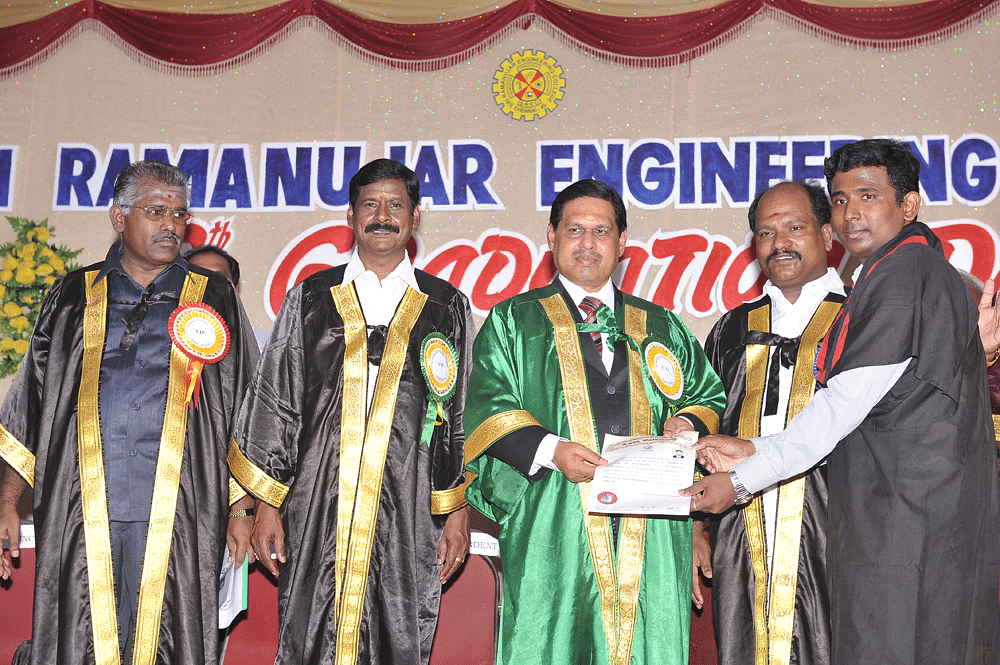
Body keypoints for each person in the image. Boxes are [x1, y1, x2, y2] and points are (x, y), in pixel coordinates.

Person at [682, 139, 1000, 664]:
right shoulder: (899, 274)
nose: (851, 214)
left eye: (868, 197)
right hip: (890, 525)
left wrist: (738, 480)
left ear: (909, 205)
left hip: (894, 527)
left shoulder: (901, 276)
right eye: (840, 199)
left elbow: (838, 410)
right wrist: (747, 454)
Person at [0, 160, 258, 665]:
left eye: (179, 214)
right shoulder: (72, 295)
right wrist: (7, 501)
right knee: (81, 642)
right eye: (156, 211)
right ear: (119, 218)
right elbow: (30, 403)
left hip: (184, 512)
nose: (171, 225)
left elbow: (246, 406)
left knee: (171, 644)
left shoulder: (214, 296)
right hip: (80, 509)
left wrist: (243, 509)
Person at [463, 179, 726, 665]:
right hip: (554, 518)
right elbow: (488, 405)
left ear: (622, 241)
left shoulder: (662, 324)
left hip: (652, 525)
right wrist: (552, 450)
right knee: (552, 642)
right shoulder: (513, 320)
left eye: (601, 231)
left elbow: (706, 394)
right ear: (551, 235)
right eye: (574, 230)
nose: (588, 243)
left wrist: (686, 421)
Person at [228, 158, 474, 665]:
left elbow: (458, 413)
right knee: (309, 632)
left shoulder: (445, 304)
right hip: (317, 503)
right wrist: (265, 505)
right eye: (370, 205)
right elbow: (277, 401)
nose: (382, 216)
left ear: (415, 216)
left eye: (395, 205)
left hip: (408, 508)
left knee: (399, 635)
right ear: (350, 215)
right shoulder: (311, 297)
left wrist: (457, 510)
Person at [702, 181, 843, 665]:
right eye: (766, 233)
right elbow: (706, 424)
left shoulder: (860, 317)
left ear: (828, 235)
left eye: (795, 228)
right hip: (739, 530)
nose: (779, 243)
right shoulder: (731, 329)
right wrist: (697, 529)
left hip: (838, 526)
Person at [186, 245, 269, 351]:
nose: (208, 285)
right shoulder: (165, 337)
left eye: (218, 278)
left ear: (235, 290)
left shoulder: (263, 347)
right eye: (198, 278)